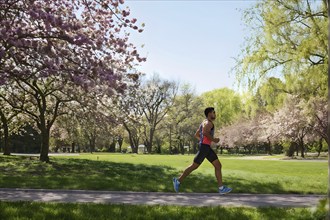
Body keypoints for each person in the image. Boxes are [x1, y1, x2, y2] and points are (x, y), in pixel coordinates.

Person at [172, 107, 232, 195]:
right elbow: (204, 133)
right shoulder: (209, 123)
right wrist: (214, 140)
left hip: (206, 147)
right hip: (204, 148)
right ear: (209, 114)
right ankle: (178, 180)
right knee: (194, 166)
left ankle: (221, 188)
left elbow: (196, 134)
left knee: (218, 165)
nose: (215, 114)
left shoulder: (204, 122)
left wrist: (203, 140)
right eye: (213, 112)